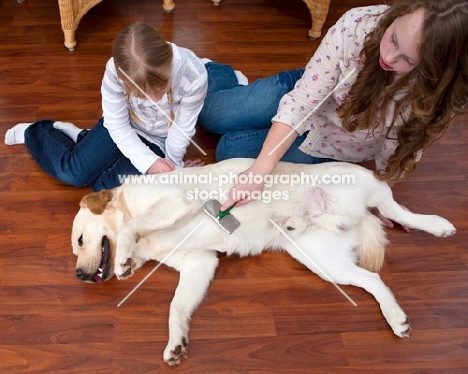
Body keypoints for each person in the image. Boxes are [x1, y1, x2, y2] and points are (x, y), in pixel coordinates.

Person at [198, 0, 468, 216]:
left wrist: (383, 198)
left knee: (229, 150)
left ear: (436, 72)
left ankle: (260, 122)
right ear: (398, 13)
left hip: (335, 142)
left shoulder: (436, 96)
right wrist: (260, 170)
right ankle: (220, 72)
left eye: (408, 60)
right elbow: (303, 101)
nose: (388, 57)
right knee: (212, 115)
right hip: (310, 91)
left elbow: (403, 147)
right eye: (393, 38)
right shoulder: (358, 24)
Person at [4, 22, 208, 191]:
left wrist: (174, 166)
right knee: (74, 174)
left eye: (163, 88)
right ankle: (35, 133)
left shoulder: (194, 76)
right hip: (120, 128)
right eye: (142, 96)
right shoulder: (115, 72)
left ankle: (84, 138)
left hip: (159, 140)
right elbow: (116, 123)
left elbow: (182, 129)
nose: (155, 100)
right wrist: (148, 162)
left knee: (105, 189)